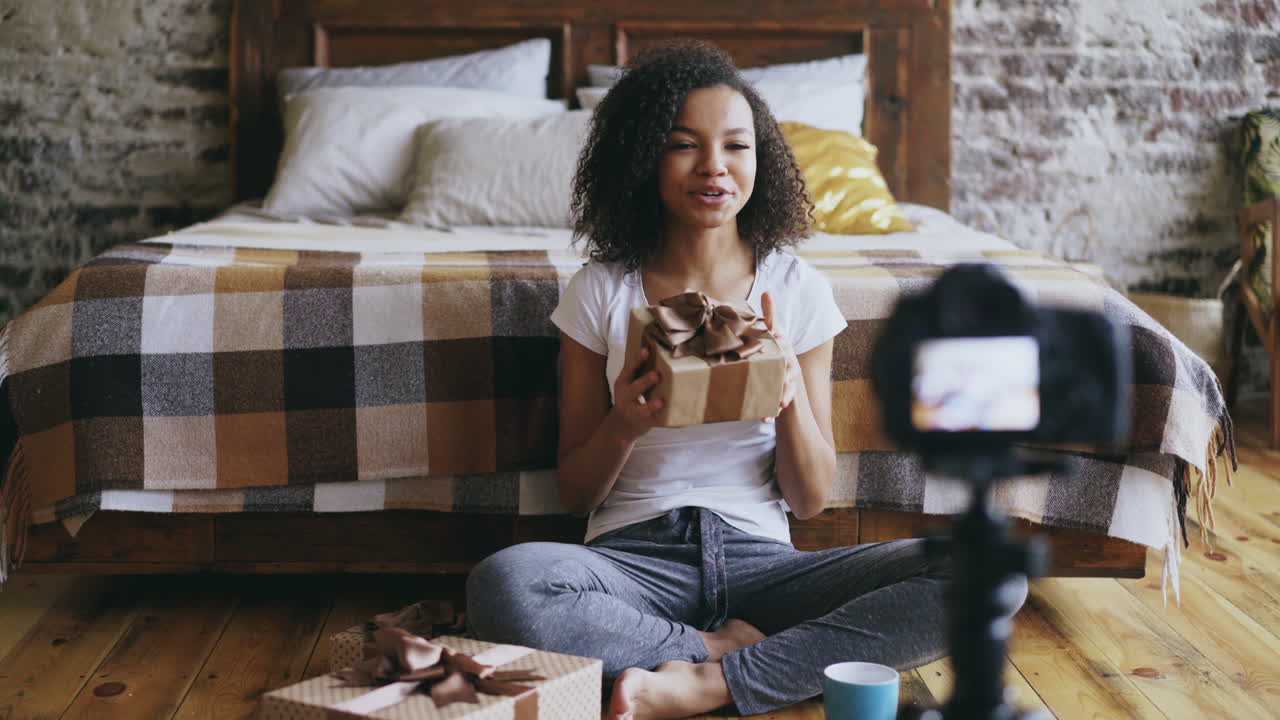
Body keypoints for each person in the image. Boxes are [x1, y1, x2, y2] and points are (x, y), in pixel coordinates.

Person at [466, 42, 1027, 720]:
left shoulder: (794, 288)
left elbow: (811, 498)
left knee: (989, 571)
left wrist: (786, 394)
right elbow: (577, 492)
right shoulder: (601, 290)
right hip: (633, 564)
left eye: (737, 145)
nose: (714, 167)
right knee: (503, 584)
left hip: (765, 560)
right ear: (644, 157)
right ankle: (716, 648)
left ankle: (714, 682)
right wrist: (625, 420)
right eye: (684, 145)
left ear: (762, 161)